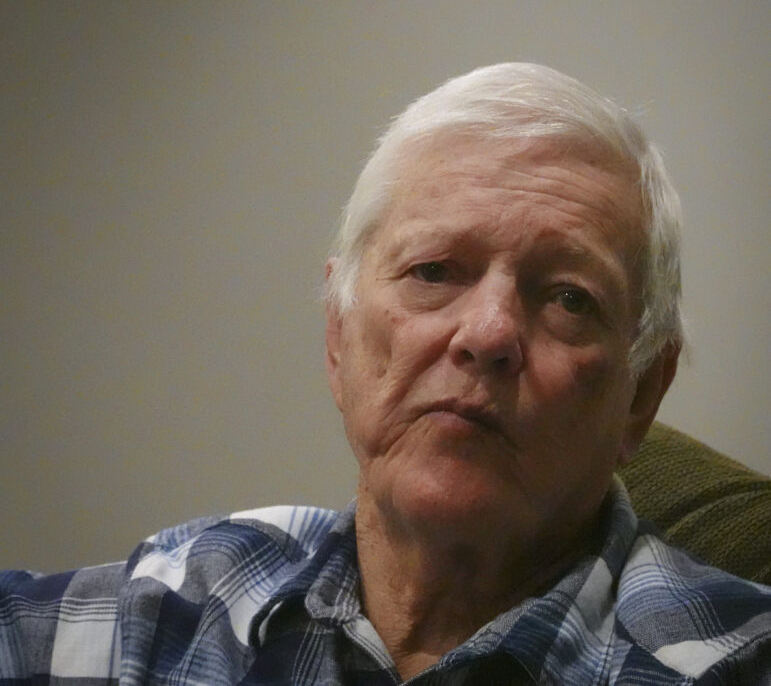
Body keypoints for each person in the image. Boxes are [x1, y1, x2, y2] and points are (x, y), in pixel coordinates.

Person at [1, 63, 769, 684]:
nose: (489, 333)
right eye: (434, 270)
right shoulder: (178, 602)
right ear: (338, 337)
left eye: (569, 297)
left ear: (641, 394)